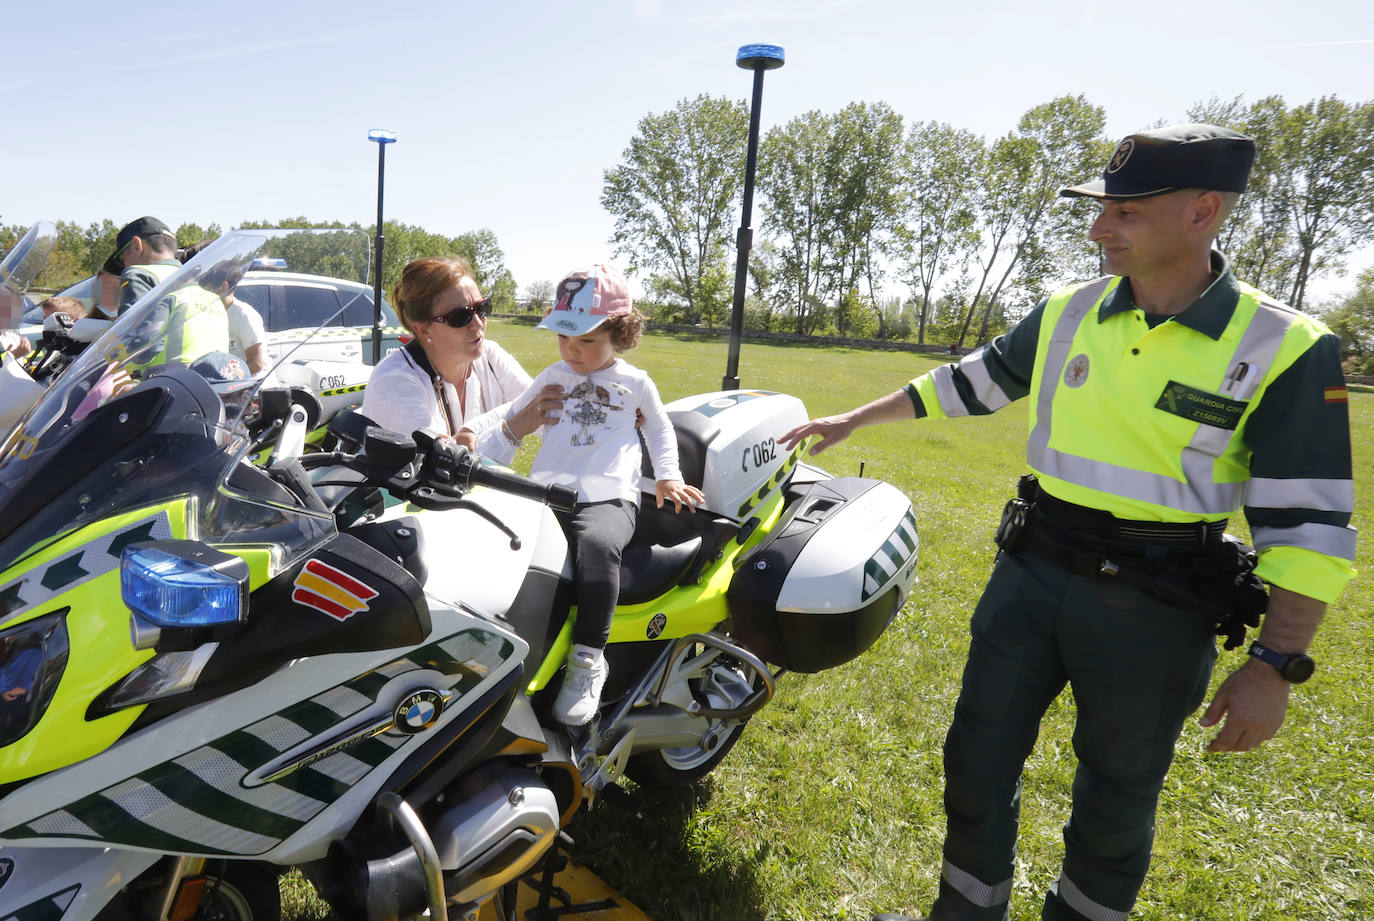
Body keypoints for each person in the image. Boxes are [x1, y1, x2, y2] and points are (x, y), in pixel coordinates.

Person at [781, 125, 1356, 921]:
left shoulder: (1285, 346)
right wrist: (855, 417)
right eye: (1101, 210)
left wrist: (1275, 665)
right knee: (976, 758)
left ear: (1204, 212)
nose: (1099, 229)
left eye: (1124, 211)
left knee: (1117, 795)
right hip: (1032, 572)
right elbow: (972, 382)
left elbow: (1310, 527)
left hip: (1157, 605)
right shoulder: (1069, 311)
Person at [460, 264, 704, 725]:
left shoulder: (636, 384)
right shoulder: (555, 373)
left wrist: (668, 475)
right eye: (564, 338)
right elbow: (513, 411)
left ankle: (588, 658)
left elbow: (658, 427)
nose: (572, 350)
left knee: (597, 548)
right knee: (509, 551)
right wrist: (474, 428)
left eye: (586, 340)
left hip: (608, 497)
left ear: (620, 334)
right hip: (546, 492)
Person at [360, 256, 557, 465]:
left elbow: (549, 414)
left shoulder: (490, 356)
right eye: (460, 317)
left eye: (482, 309)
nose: (478, 324)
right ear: (422, 328)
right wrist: (512, 429)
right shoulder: (394, 382)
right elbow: (441, 470)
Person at [201, 260, 269, 374]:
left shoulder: (243, 315)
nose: (204, 294)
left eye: (208, 289)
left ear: (223, 287)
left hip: (253, 385)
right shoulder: (213, 312)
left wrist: (229, 383)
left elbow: (256, 363)